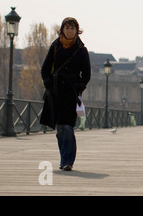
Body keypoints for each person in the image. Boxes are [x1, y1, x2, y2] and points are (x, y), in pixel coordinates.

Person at [40, 17, 91, 171]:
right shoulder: (55, 46)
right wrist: (48, 84)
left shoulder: (82, 50)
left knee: (67, 126)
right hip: (56, 92)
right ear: (62, 30)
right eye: (67, 28)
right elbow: (45, 68)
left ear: (77, 31)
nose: (69, 31)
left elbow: (86, 74)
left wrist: (78, 87)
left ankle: (67, 161)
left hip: (70, 92)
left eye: (72, 28)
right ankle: (64, 158)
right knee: (60, 128)